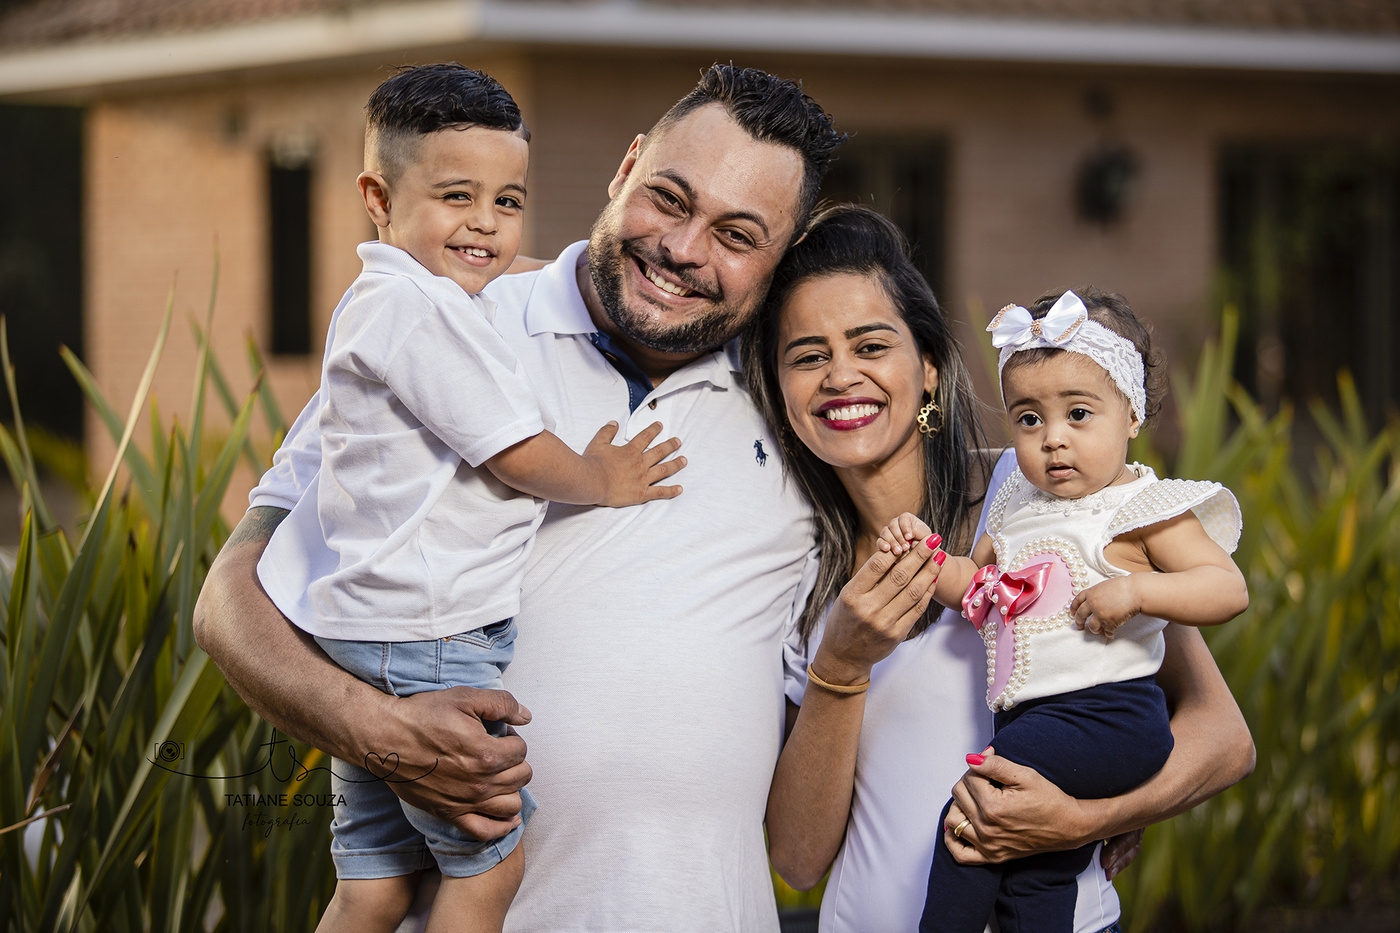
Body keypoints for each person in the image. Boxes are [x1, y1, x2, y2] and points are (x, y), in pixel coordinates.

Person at [195, 64, 846, 932]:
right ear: (626, 167)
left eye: (737, 234)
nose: (684, 249)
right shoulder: (442, 320)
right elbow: (228, 603)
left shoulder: (806, 405)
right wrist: (378, 730)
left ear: (782, 259)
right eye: (669, 198)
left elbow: (963, 489)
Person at [258, 64, 687, 933]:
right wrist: (601, 478)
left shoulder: (398, 298)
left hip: (373, 633)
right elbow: (513, 450)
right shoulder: (418, 313)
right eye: (457, 197)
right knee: (492, 864)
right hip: (428, 640)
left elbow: (506, 270)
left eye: (507, 200)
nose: (486, 223)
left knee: (374, 886)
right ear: (379, 198)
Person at [745, 206, 1255, 932]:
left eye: (871, 344)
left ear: (927, 367)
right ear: (780, 388)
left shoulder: (1039, 496)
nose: (841, 375)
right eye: (806, 356)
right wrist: (842, 664)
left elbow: (1224, 740)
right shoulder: (797, 574)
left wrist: (1085, 819)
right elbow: (798, 861)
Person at [873, 288, 1249, 932]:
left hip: (1111, 715)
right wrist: (926, 556)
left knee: (975, 815)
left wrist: (1138, 592)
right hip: (1038, 718)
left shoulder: (1140, 509)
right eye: (1028, 419)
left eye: (1078, 414)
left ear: (1131, 415)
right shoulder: (1015, 508)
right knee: (1033, 866)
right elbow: (975, 587)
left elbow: (1226, 588)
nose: (1053, 440)